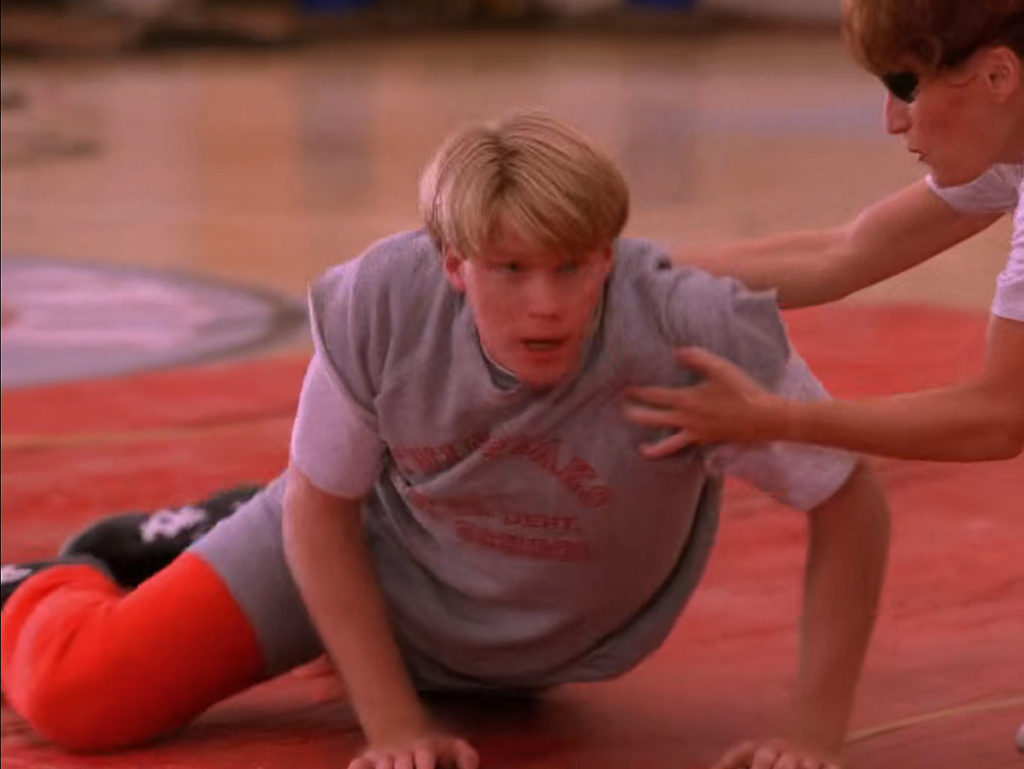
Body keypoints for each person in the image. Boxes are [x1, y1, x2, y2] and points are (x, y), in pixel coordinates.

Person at [0, 111, 890, 769]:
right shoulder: (384, 301)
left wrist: (811, 732)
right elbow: (321, 508)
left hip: (499, 631)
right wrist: (392, 727)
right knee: (81, 691)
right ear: (452, 264)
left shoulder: (687, 328)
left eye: (572, 266)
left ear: (608, 256)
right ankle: (36, 583)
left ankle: (198, 527)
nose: (546, 302)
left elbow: (847, 496)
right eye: (509, 269)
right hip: (355, 552)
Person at [624, 0, 1024, 463]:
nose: (891, 121)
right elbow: (841, 253)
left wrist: (777, 418)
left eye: (905, 87)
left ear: (999, 75)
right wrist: (619, 268)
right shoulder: (1007, 141)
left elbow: (1000, 417)